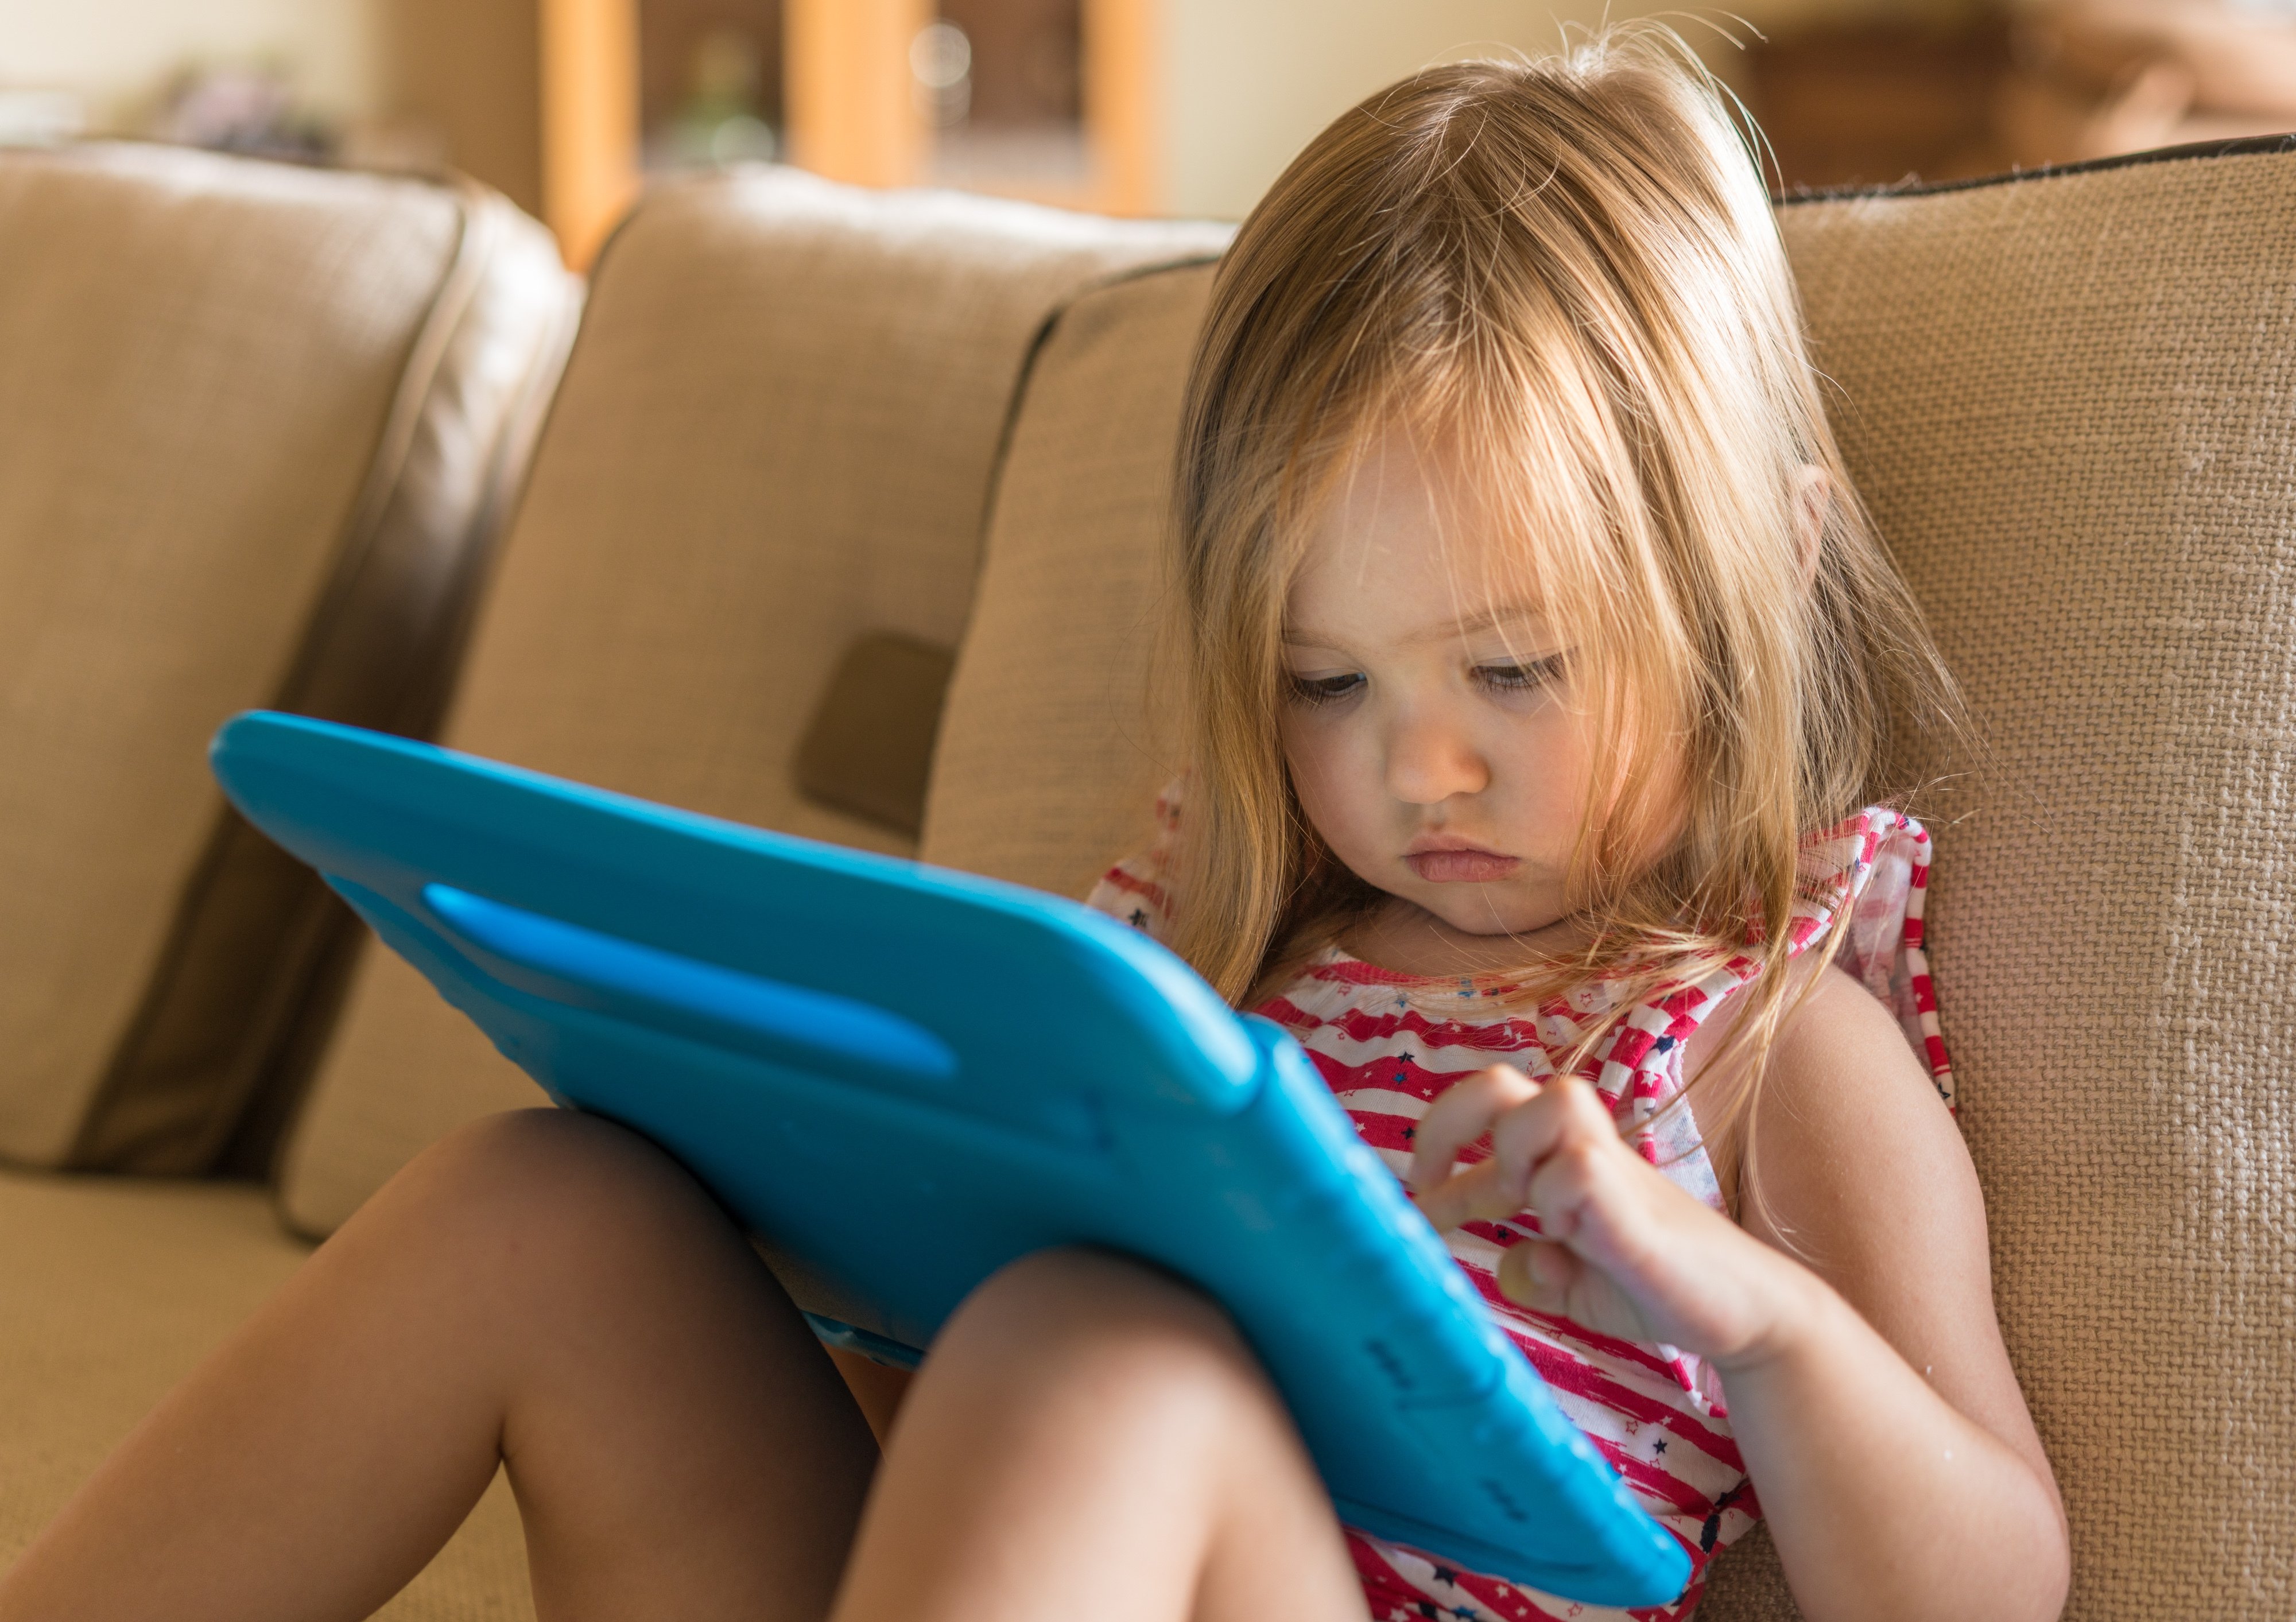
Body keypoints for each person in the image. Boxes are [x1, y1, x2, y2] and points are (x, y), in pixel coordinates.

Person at [0, 38, 2069, 1622]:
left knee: (1116, 1354)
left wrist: (1735, 1296)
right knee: (544, 1210)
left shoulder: (1772, 1041)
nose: (1418, 771)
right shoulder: (1218, 950)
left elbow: (1992, 1580)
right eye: (1329, 683)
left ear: (1753, 578)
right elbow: (940, 1391)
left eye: (1512, 673)